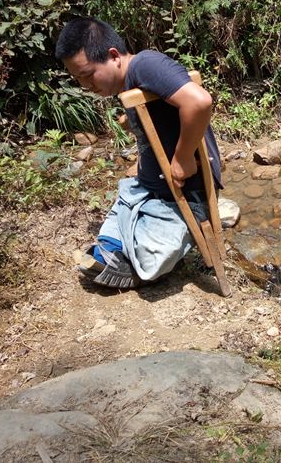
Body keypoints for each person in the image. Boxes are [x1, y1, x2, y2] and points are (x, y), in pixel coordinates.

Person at [54, 17, 222, 288]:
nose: (85, 85)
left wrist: (182, 158)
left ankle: (128, 256)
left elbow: (199, 102)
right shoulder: (130, 82)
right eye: (77, 78)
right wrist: (132, 123)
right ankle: (117, 253)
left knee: (151, 257)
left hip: (183, 192)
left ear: (112, 56)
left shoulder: (145, 64)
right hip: (151, 189)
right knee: (123, 205)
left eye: (87, 74)